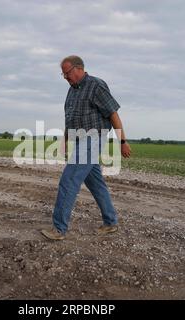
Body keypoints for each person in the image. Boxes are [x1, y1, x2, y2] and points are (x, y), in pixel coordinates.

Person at [41, 55, 131, 240]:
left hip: (94, 139)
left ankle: (59, 229)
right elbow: (71, 118)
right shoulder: (72, 90)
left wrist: (122, 141)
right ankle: (110, 222)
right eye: (63, 74)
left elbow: (113, 114)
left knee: (69, 180)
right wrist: (65, 140)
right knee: (96, 183)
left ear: (79, 68)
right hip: (80, 141)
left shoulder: (96, 85)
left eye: (67, 73)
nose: (65, 77)